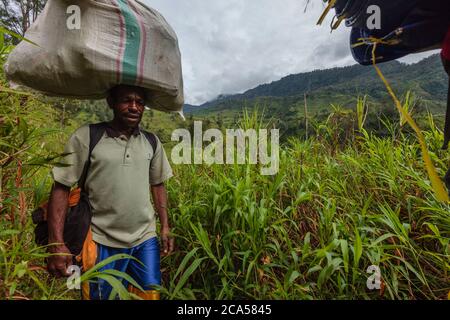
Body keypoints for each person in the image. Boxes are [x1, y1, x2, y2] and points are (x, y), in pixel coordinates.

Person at [46, 84, 174, 300]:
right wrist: (56, 244)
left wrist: (165, 227)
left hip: (145, 238)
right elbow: (61, 186)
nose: (134, 107)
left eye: (140, 102)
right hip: (99, 238)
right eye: (127, 100)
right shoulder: (87, 136)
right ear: (111, 102)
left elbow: (158, 184)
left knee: (150, 295)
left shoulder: (151, 141)